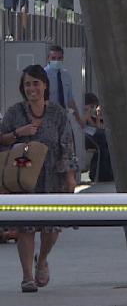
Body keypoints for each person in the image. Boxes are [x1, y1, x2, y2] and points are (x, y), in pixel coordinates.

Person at [0, 64, 75, 293]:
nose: (31, 88)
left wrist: (71, 177)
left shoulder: (57, 113)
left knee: (51, 229)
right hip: (23, 179)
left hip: (52, 177)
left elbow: (67, 145)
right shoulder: (14, 112)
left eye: (35, 83)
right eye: (27, 84)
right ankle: (27, 277)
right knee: (26, 227)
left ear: (45, 85)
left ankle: (41, 259)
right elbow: (2, 140)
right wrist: (17, 134)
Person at [82, 93, 112, 182]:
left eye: (93, 107)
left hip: (90, 133)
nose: (91, 109)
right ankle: (100, 173)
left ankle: (103, 173)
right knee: (103, 140)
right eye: (90, 107)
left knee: (105, 146)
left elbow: (96, 126)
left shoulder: (90, 113)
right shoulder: (82, 111)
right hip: (85, 135)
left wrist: (98, 116)